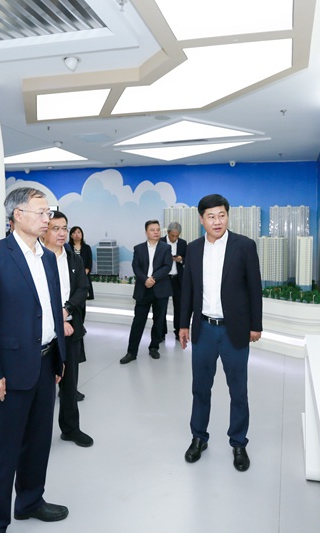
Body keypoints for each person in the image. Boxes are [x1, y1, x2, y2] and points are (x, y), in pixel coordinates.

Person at [0, 187, 69, 533]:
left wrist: (58, 359)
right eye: (41, 212)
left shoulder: (47, 257)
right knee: (2, 451)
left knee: (38, 441)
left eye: (49, 212)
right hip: (8, 371)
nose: (48, 219)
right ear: (17, 215)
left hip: (45, 363)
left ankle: (29, 500)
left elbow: (52, 309)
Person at [179, 194, 262, 472]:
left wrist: (256, 325)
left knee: (238, 391)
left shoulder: (244, 246)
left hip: (234, 331)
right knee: (200, 388)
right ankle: (198, 438)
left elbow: (254, 288)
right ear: (201, 219)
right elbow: (187, 289)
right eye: (211, 216)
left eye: (222, 215)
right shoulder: (193, 249)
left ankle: (238, 442)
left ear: (228, 215)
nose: (217, 221)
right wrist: (183, 324)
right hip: (203, 330)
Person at [41, 211, 93, 447]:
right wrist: (57, 319)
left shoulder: (74, 258)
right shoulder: (36, 258)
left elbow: (82, 288)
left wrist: (67, 310)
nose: (62, 233)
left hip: (71, 328)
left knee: (70, 384)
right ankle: (37, 434)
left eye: (65, 228)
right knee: (42, 386)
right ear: (44, 231)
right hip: (44, 332)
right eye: (56, 228)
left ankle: (70, 429)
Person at [120, 220, 173, 364]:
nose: (156, 232)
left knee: (159, 320)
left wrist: (153, 278)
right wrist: (145, 280)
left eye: (158, 229)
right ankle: (131, 352)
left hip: (160, 289)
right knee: (138, 321)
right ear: (146, 232)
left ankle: (154, 347)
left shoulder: (166, 248)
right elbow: (136, 267)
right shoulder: (139, 248)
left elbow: (167, 266)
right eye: (152, 230)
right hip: (143, 289)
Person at [162, 221, 187, 340]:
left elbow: (188, 259)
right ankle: (161, 332)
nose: (174, 238)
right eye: (172, 235)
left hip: (178, 279)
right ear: (168, 233)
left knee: (179, 307)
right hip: (164, 279)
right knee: (161, 307)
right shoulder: (160, 242)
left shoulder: (183, 243)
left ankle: (178, 331)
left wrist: (181, 259)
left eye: (177, 236)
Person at [68, 225, 94, 300]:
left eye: (79, 232)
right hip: (71, 272)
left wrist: (87, 270)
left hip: (84, 271)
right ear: (71, 236)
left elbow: (89, 261)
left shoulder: (87, 247)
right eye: (74, 233)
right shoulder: (67, 247)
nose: (77, 235)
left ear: (82, 234)